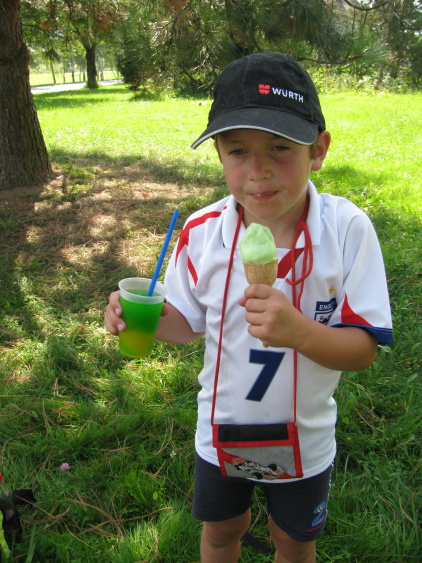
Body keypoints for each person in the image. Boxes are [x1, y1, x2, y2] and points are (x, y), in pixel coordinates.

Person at [105, 53, 393, 563]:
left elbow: (363, 348)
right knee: (221, 532)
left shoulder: (347, 231)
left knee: (293, 541)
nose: (258, 171)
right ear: (219, 154)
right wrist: (143, 317)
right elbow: (187, 324)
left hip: (304, 440)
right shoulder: (203, 233)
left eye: (280, 147)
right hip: (220, 433)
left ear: (318, 150)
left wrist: (301, 332)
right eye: (238, 150)